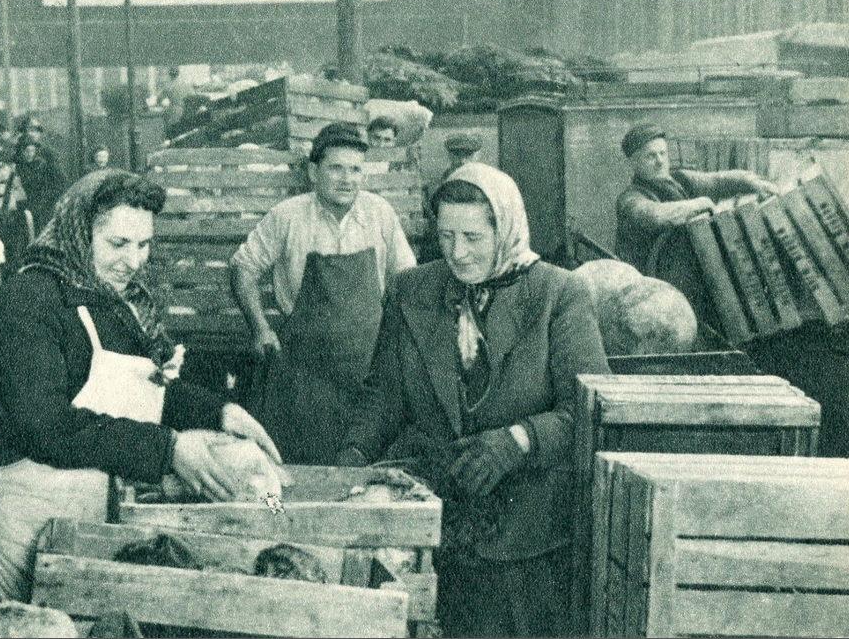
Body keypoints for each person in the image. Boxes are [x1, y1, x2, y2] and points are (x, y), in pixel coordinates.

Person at [0, 170, 283, 611]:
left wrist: (220, 412)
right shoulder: (29, 299)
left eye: (143, 245)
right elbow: (45, 426)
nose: (133, 261)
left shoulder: (115, 301)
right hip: (21, 524)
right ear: (79, 231)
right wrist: (168, 449)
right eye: (118, 244)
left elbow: (145, 392)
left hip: (88, 520)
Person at [338, 163, 610, 637]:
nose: (457, 253)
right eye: (446, 237)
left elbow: (589, 407)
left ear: (504, 229)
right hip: (443, 517)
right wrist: (354, 455)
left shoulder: (558, 295)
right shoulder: (412, 290)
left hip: (530, 531)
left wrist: (519, 440)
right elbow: (385, 393)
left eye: (472, 237)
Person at [229, 122, 417, 465]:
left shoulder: (379, 213)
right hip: (305, 371)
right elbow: (243, 267)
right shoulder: (287, 216)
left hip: (368, 366)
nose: (347, 179)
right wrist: (260, 328)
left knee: (365, 464)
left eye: (355, 170)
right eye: (336, 168)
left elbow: (406, 279)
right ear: (314, 172)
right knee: (301, 467)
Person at [614, 123, 778, 273]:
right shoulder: (630, 198)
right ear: (633, 163)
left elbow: (718, 181)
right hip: (654, 281)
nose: (660, 161)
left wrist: (753, 182)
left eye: (663, 153)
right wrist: (699, 204)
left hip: (690, 269)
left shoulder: (680, 179)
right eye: (651, 156)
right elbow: (655, 215)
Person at [418, 132, 487, 263]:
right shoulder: (437, 188)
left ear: (477, 156)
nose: (462, 161)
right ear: (449, 155)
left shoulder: (486, 186)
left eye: (468, 155)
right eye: (457, 155)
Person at [12, 132, 68, 233]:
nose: (30, 154)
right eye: (26, 151)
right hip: (32, 201)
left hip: (45, 202)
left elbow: (53, 187)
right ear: (21, 151)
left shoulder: (41, 165)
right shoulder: (21, 165)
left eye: (32, 151)